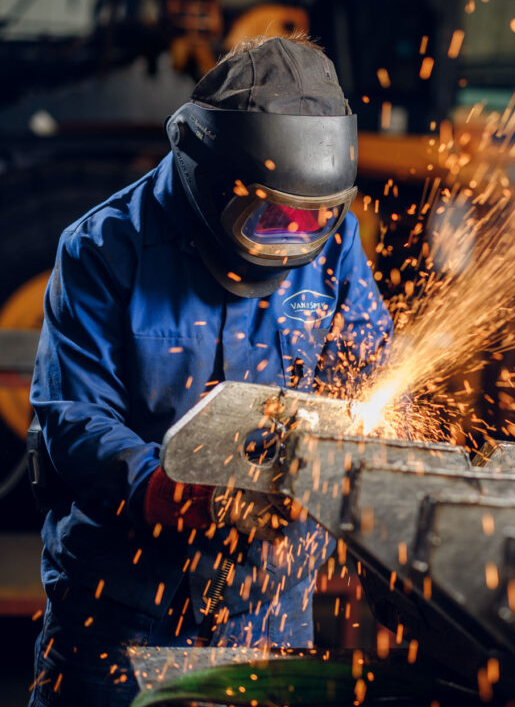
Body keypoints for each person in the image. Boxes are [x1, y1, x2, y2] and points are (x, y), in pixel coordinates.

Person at [28, 34, 393, 706]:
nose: (294, 233)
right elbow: (70, 418)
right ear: (214, 176)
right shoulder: (103, 248)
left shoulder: (333, 238)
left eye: (311, 217)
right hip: (119, 611)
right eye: (273, 215)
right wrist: (162, 490)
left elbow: (365, 364)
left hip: (266, 607)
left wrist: (346, 450)